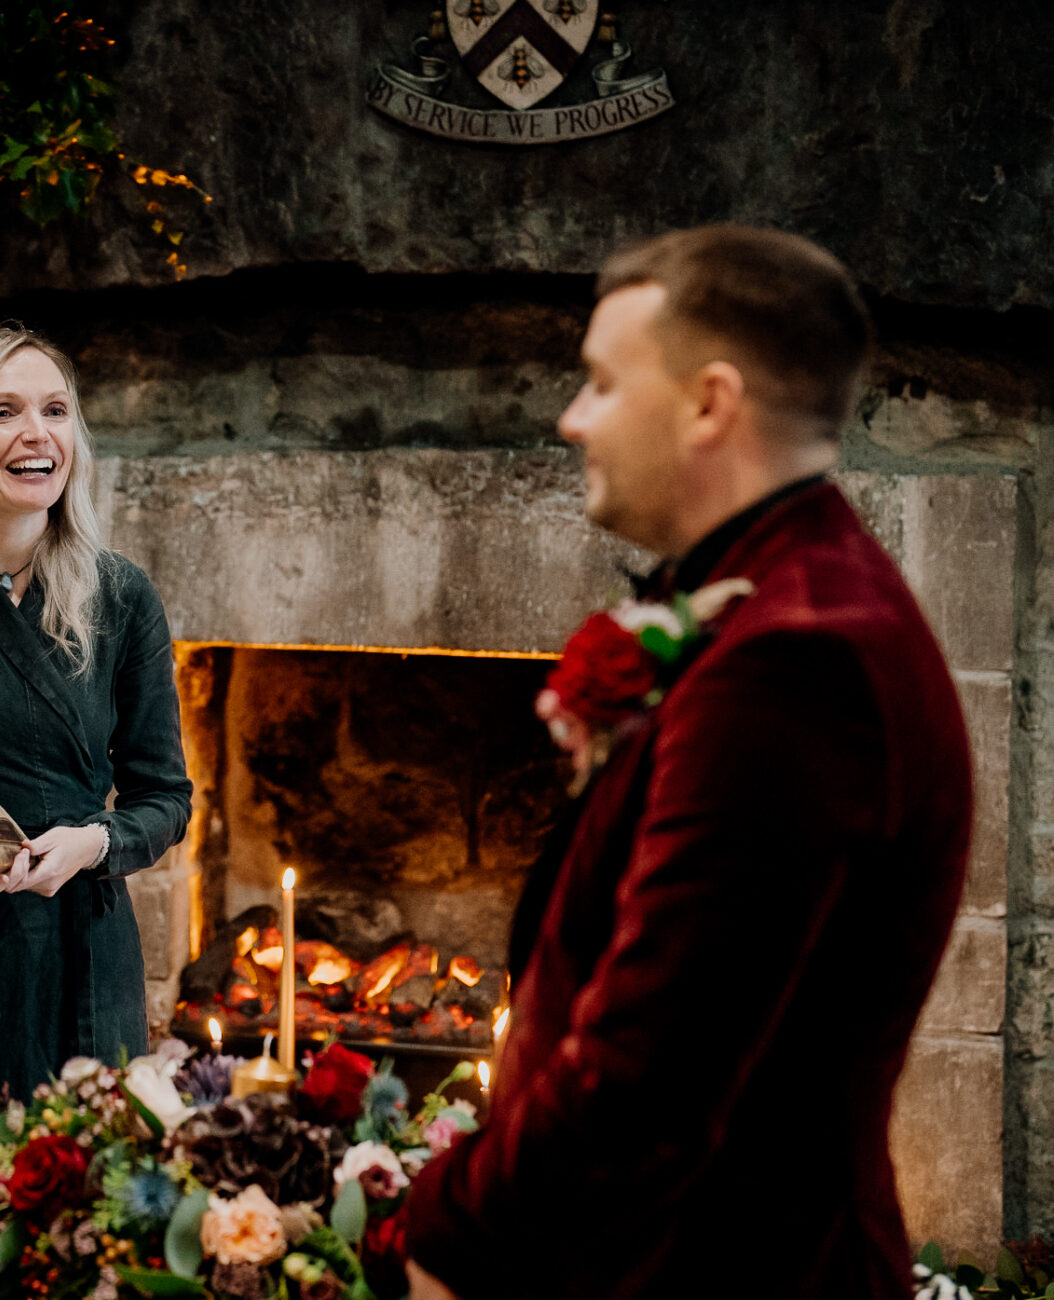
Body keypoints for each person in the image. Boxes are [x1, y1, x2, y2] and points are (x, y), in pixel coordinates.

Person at [403, 227, 971, 1299]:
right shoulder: (777, 596)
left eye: (603, 382)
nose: (572, 417)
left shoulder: (799, 658)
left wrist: (447, 1235)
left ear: (710, 402)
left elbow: (652, 1070)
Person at [0, 325, 193, 1189]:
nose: (37, 434)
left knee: (70, 1221)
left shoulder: (120, 594)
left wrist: (94, 843)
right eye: (4, 412)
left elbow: (166, 797)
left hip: (81, 956)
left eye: (56, 411)